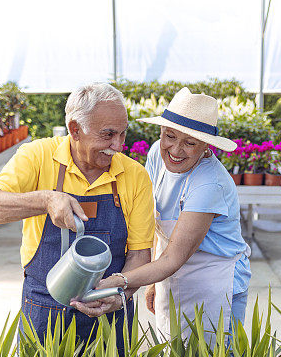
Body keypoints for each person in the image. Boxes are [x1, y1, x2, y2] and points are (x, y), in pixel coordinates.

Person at [0, 83, 154, 357]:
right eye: (107, 135)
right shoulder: (37, 156)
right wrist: (45, 200)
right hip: (45, 307)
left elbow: (140, 254)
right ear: (75, 129)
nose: (118, 145)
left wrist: (120, 294)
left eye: (122, 133)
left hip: (109, 310)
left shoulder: (135, 175)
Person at [79, 87, 250, 340]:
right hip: (171, 275)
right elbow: (155, 224)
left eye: (190, 142)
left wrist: (121, 281)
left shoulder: (208, 183)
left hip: (214, 282)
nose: (176, 150)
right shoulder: (157, 155)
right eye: (170, 136)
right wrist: (151, 282)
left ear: (206, 146)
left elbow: (173, 258)